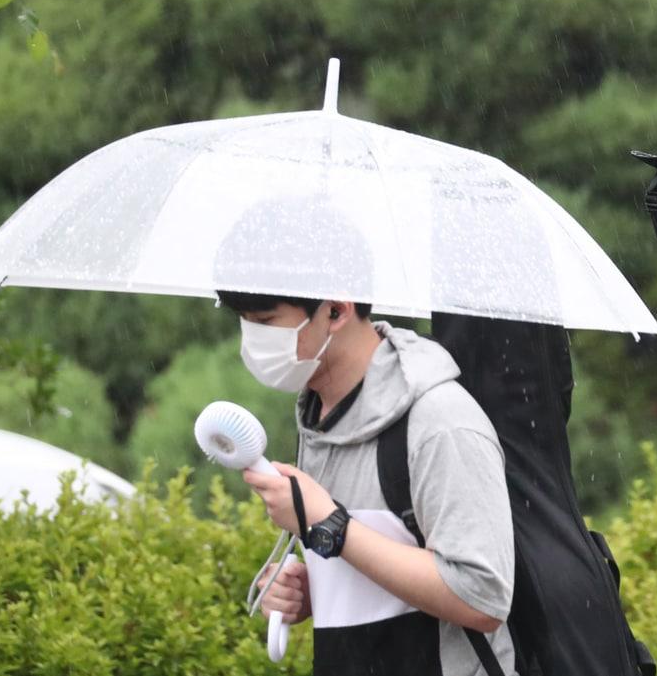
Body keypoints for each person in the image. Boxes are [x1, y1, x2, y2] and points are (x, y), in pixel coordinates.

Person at [217, 288, 517, 676]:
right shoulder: (318, 418)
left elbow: (482, 597)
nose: (252, 340)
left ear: (337, 310)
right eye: (243, 321)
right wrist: (314, 591)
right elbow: (383, 560)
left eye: (265, 322)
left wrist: (330, 526)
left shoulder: (440, 421)